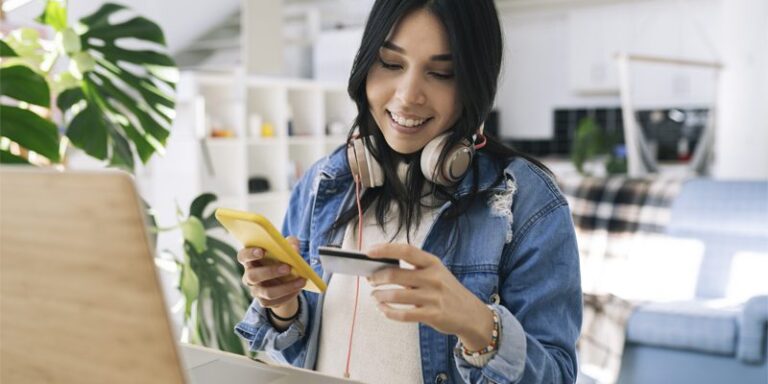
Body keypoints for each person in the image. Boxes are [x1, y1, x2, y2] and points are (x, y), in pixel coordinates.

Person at [234, 1, 582, 383]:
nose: (408, 95)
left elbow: (557, 376)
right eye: (391, 63)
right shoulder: (326, 182)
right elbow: (297, 358)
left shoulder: (527, 202)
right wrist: (283, 308)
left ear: (473, 84)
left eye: (441, 73)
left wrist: (477, 324)